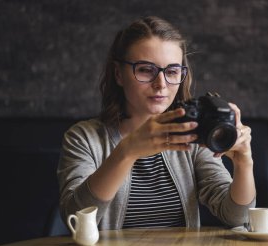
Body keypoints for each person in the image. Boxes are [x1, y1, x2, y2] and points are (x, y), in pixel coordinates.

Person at [57, 16, 256, 229]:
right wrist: (127, 151)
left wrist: (244, 162)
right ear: (118, 74)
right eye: (145, 70)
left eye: (171, 71)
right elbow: (76, 221)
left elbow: (236, 217)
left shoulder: (191, 134)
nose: (160, 84)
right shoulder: (84, 138)